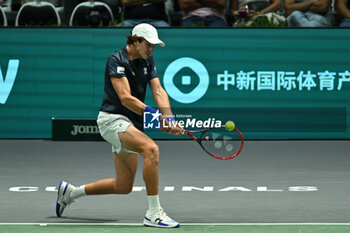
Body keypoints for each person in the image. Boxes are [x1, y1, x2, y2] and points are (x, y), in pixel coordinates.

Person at [56, 23, 182, 228]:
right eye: (148, 44)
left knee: (123, 185)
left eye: (154, 46)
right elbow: (125, 98)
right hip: (111, 120)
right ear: (135, 40)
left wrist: (170, 117)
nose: (151, 49)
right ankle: (154, 213)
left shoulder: (148, 60)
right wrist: (157, 117)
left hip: (131, 125)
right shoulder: (116, 60)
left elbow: (158, 91)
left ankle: (70, 192)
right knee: (151, 149)